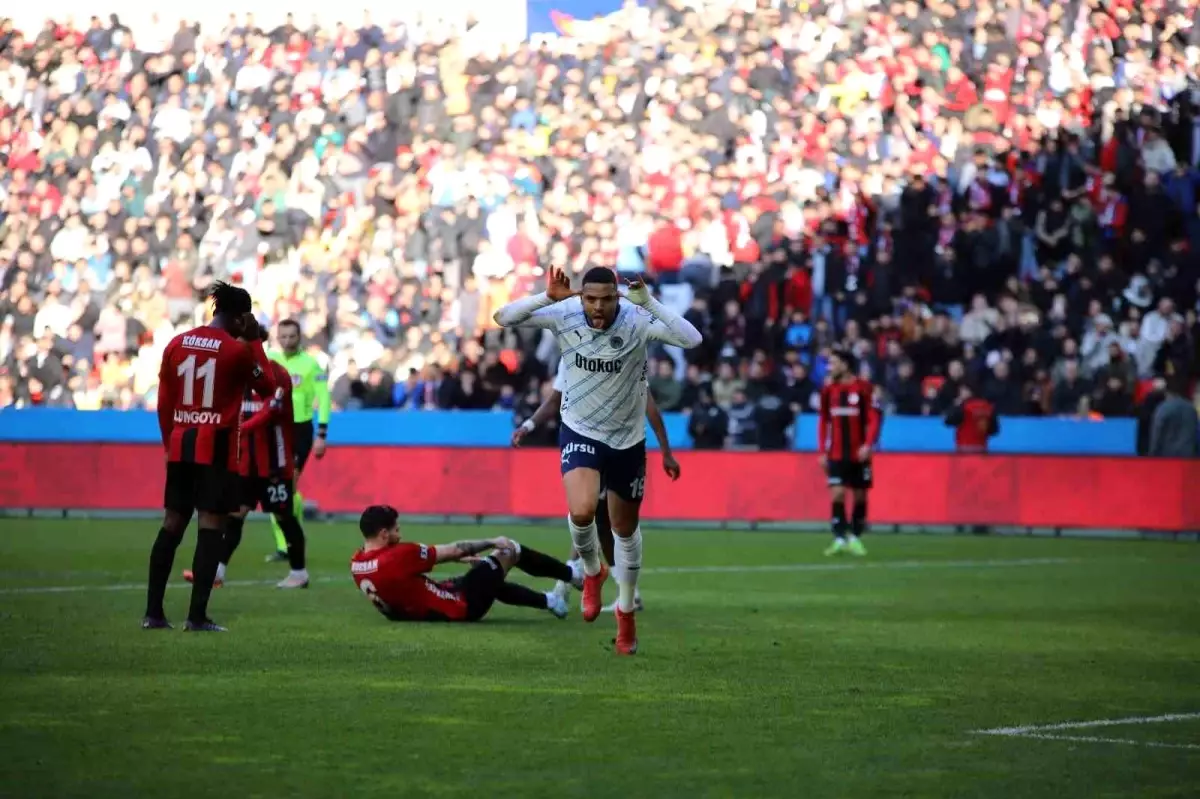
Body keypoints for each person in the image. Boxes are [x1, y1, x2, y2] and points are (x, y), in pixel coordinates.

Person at [493, 266, 702, 654]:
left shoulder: (638, 322)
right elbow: (503, 317)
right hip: (581, 430)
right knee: (583, 509)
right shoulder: (565, 314)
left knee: (624, 532)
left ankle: (626, 611)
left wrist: (649, 302)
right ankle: (592, 572)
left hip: (627, 440)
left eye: (607, 298)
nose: (598, 307)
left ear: (618, 298)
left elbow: (692, 339)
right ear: (581, 296)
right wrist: (546, 297)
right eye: (590, 298)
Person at [145, 282, 276, 632]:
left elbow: (164, 403)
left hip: (181, 444)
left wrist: (168, 447)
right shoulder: (237, 351)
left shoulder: (176, 343)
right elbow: (267, 388)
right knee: (211, 527)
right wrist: (256, 340)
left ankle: (153, 614)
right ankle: (196, 617)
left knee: (172, 524)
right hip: (215, 448)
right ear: (241, 317)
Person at [512, 361, 683, 612]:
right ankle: (603, 589)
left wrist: (667, 452)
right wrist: (528, 425)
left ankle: (569, 586)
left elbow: (649, 403)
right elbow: (555, 399)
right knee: (591, 518)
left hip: (616, 446)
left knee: (596, 519)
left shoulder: (624, 348)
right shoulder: (570, 354)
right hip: (589, 445)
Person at [182, 353, 309, 589]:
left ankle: (299, 572)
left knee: (284, 516)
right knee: (235, 515)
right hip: (244, 462)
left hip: (274, 461)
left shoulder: (276, 374)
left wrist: (239, 429)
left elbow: (271, 410)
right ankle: (217, 572)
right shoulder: (233, 375)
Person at [350, 505, 577, 622]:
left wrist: (459, 558)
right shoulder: (398, 556)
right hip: (461, 605)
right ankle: (572, 575)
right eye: (396, 530)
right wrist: (491, 541)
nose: (400, 534)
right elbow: (454, 548)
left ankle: (551, 601)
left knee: (487, 575)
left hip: (434, 602)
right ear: (383, 533)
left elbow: (398, 586)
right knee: (510, 550)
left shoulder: (357, 563)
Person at [265, 319, 331, 562]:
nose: (287, 341)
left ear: (299, 337)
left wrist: (322, 434)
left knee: (287, 485)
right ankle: (285, 544)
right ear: (277, 337)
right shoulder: (268, 360)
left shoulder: (312, 365)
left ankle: (292, 540)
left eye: (292, 336)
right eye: (283, 337)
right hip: (273, 428)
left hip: (300, 429)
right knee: (276, 487)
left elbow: (324, 399)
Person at [818, 349, 881, 557]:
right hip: (836, 453)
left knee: (860, 495)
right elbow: (824, 421)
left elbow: (873, 419)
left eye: (833, 363)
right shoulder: (829, 390)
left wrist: (868, 444)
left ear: (845, 365)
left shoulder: (863, 388)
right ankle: (839, 538)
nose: (829, 367)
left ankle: (855, 537)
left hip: (859, 454)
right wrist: (821, 451)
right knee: (837, 492)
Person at [944, 383, 999, 453]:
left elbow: (948, 421)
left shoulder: (964, 407)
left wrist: (955, 406)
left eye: (962, 390)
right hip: (982, 446)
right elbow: (994, 430)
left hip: (964, 446)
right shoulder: (988, 406)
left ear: (969, 391)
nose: (960, 393)